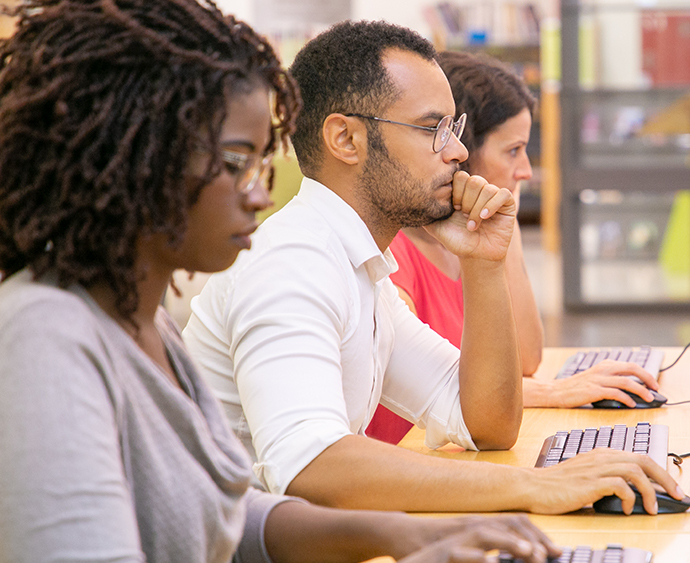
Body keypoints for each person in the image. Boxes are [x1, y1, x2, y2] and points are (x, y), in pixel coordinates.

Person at [0, 1, 558, 561]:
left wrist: (403, 535)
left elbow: (225, 516)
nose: (260, 194)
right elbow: (310, 465)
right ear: (143, 160)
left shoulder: (145, 324)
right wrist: (531, 487)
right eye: (236, 162)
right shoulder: (48, 336)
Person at [182, 19, 684, 515]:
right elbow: (310, 468)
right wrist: (533, 485)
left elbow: (486, 422)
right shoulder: (294, 263)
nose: (459, 152)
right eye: (432, 129)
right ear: (346, 140)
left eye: (454, 129)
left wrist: (483, 265)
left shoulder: (361, 269)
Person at [365, 51, 662, 445]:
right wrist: (558, 391)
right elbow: (441, 400)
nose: (525, 170)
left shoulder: (460, 248)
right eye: (512, 151)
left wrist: (508, 230)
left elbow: (525, 359)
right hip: (415, 463)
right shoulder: (393, 258)